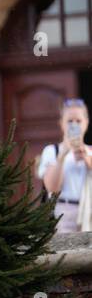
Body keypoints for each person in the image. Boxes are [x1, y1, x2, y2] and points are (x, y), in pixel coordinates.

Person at [38, 97, 92, 233]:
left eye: (78, 121)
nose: (74, 125)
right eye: (69, 121)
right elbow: (52, 188)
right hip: (63, 214)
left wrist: (87, 158)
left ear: (86, 123)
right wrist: (62, 155)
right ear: (61, 124)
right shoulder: (52, 151)